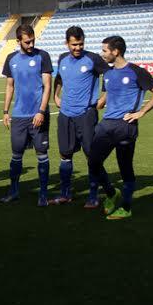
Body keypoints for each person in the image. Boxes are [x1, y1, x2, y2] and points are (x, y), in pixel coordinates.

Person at [88, 36, 153, 220]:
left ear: (116, 52)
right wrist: (95, 104)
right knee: (93, 162)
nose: (102, 54)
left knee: (125, 168)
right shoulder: (108, 73)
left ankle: (126, 207)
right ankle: (111, 193)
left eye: (105, 50)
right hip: (106, 125)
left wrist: (141, 112)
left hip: (126, 126)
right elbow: (106, 96)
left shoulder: (136, 71)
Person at [53, 26, 110, 207]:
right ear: (67, 43)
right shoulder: (62, 58)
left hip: (86, 114)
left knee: (91, 155)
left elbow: (110, 74)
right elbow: (59, 78)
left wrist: (104, 97)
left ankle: (93, 196)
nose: (77, 48)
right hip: (65, 114)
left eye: (80, 44)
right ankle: (65, 193)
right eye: (74, 45)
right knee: (65, 154)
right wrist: (56, 95)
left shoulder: (93, 58)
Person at [1, 25, 53, 206]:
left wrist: (41, 111)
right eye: (27, 42)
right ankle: (14, 191)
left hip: (38, 114)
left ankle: (43, 194)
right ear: (18, 41)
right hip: (19, 116)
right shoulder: (11, 59)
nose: (31, 45)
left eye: (33, 41)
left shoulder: (43, 56)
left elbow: (47, 85)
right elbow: (9, 86)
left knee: (41, 153)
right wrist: (5, 111)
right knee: (16, 154)